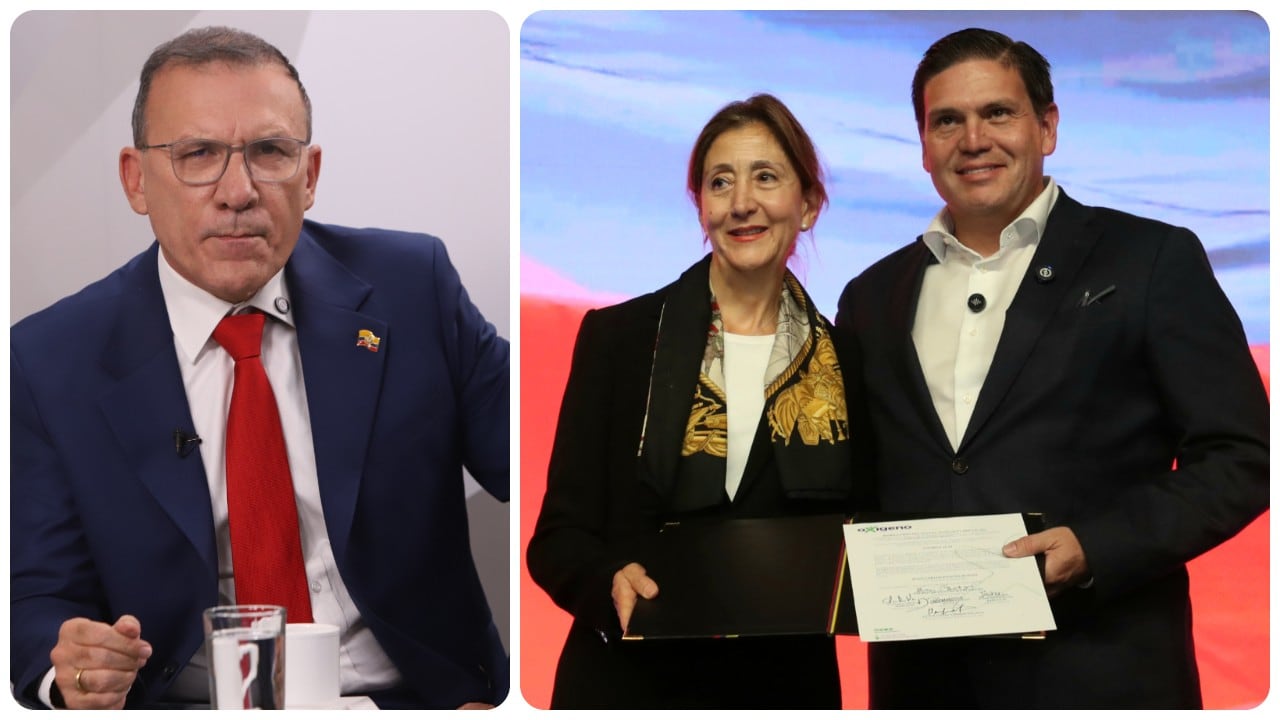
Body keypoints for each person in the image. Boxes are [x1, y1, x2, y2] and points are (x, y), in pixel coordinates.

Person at [9, 26, 509, 710]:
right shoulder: (49, 359)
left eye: (269, 152)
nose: (237, 191)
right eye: (198, 154)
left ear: (310, 177)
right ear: (136, 179)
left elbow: (550, 467)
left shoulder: (412, 289)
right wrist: (72, 665)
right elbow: (40, 598)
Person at [834, 27, 1269, 709]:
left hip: (1101, 674)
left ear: (1048, 126)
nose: (972, 139)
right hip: (924, 686)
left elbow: (1245, 455)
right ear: (922, 144)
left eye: (997, 113)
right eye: (947, 120)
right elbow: (851, 480)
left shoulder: (1149, 260)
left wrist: (1097, 547)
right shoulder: (871, 296)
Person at [527, 93, 860, 709]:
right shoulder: (621, 340)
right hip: (629, 682)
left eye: (766, 178)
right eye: (720, 182)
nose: (741, 203)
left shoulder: (849, 362)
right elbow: (558, 538)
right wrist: (607, 586)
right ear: (700, 206)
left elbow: (870, 536)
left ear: (808, 205)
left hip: (783, 689)